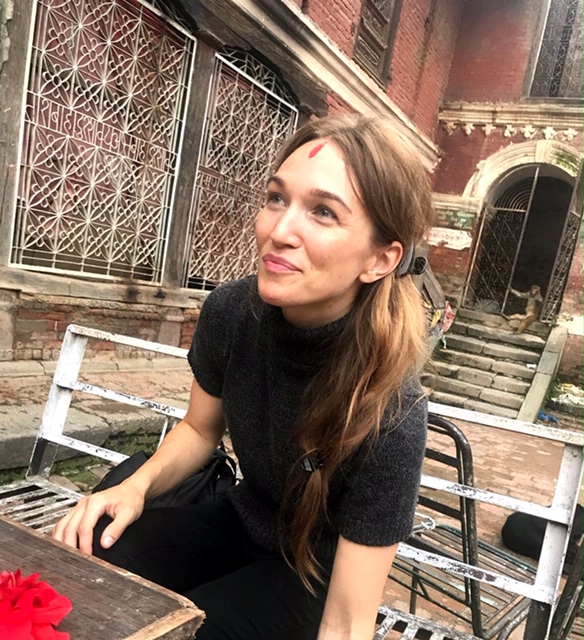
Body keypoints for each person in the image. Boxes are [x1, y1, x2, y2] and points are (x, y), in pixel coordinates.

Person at [53, 114, 434, 639]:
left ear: (380, 258)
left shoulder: (391, 411)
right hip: (237, 519)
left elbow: (348, 622)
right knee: (85, 560)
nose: (278, 232)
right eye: (277, 198)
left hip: (310, 575)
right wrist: (136, 486)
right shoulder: (232, 312)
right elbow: (199, 429)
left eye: (323, 212)